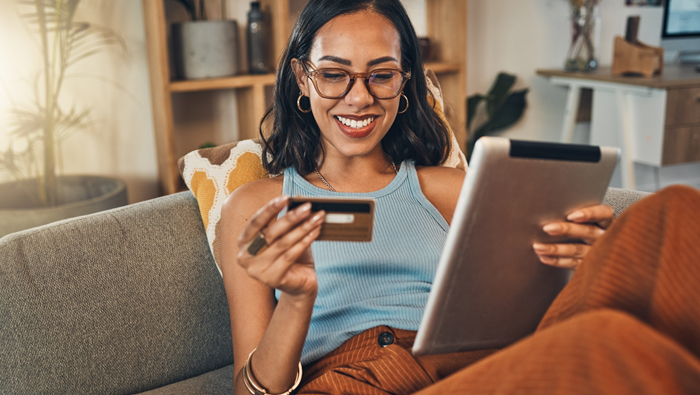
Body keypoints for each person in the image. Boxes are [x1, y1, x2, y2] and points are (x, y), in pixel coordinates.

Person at [219, 1, 700, 394]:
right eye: (333, 74)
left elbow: (519, 300)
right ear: (303, 79)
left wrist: (592, 258)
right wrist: (298, 299)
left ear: (405, 80)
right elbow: (253, 391)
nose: (359, 97)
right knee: (611, 343)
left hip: (463, 365)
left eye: (381, 74)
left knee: (675, 210)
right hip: (350, 380)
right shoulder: (256, 206)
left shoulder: (447, 189)